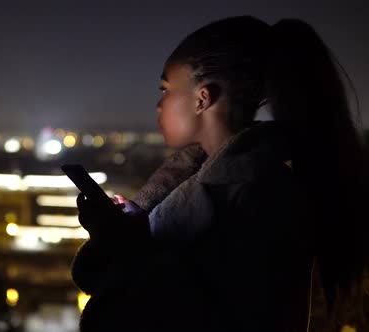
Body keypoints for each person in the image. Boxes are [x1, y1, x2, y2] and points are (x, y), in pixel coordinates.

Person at [71, 16, 368, 332]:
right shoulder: (205, 184)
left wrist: (124, 244)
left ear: (203, 98)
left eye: (166, 89)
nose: (159, 105)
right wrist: (128, 231)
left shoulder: (262, 198)